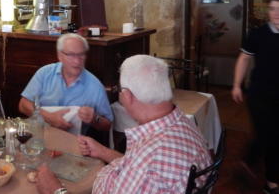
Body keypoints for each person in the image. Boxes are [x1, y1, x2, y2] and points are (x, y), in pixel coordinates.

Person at [35, 55, 212, 194]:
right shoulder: (183, 123)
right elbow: (137, 167)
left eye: (118, 91)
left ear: (127, 95)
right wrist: (104, 152)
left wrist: (55, 190)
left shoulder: (148, 162)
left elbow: (143, 169)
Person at [232, 0, 279, 194]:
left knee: (273, 136)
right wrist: (236, 85)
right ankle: (272, 183)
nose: (276, 14)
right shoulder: (257, 34)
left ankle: (250, 160)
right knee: (270, 136)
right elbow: (244, 59)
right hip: (260, 94)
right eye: (272, 9)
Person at [19, 33, 113, 133]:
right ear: (59, 55)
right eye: (71, 55)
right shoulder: (45, 73)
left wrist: (94, 118)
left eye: (81, 55)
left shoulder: (95, 86)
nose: (77, 61)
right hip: (38, 136)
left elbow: (107, 125)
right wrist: (48, 117)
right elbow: (23, 105)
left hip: (73, 143)